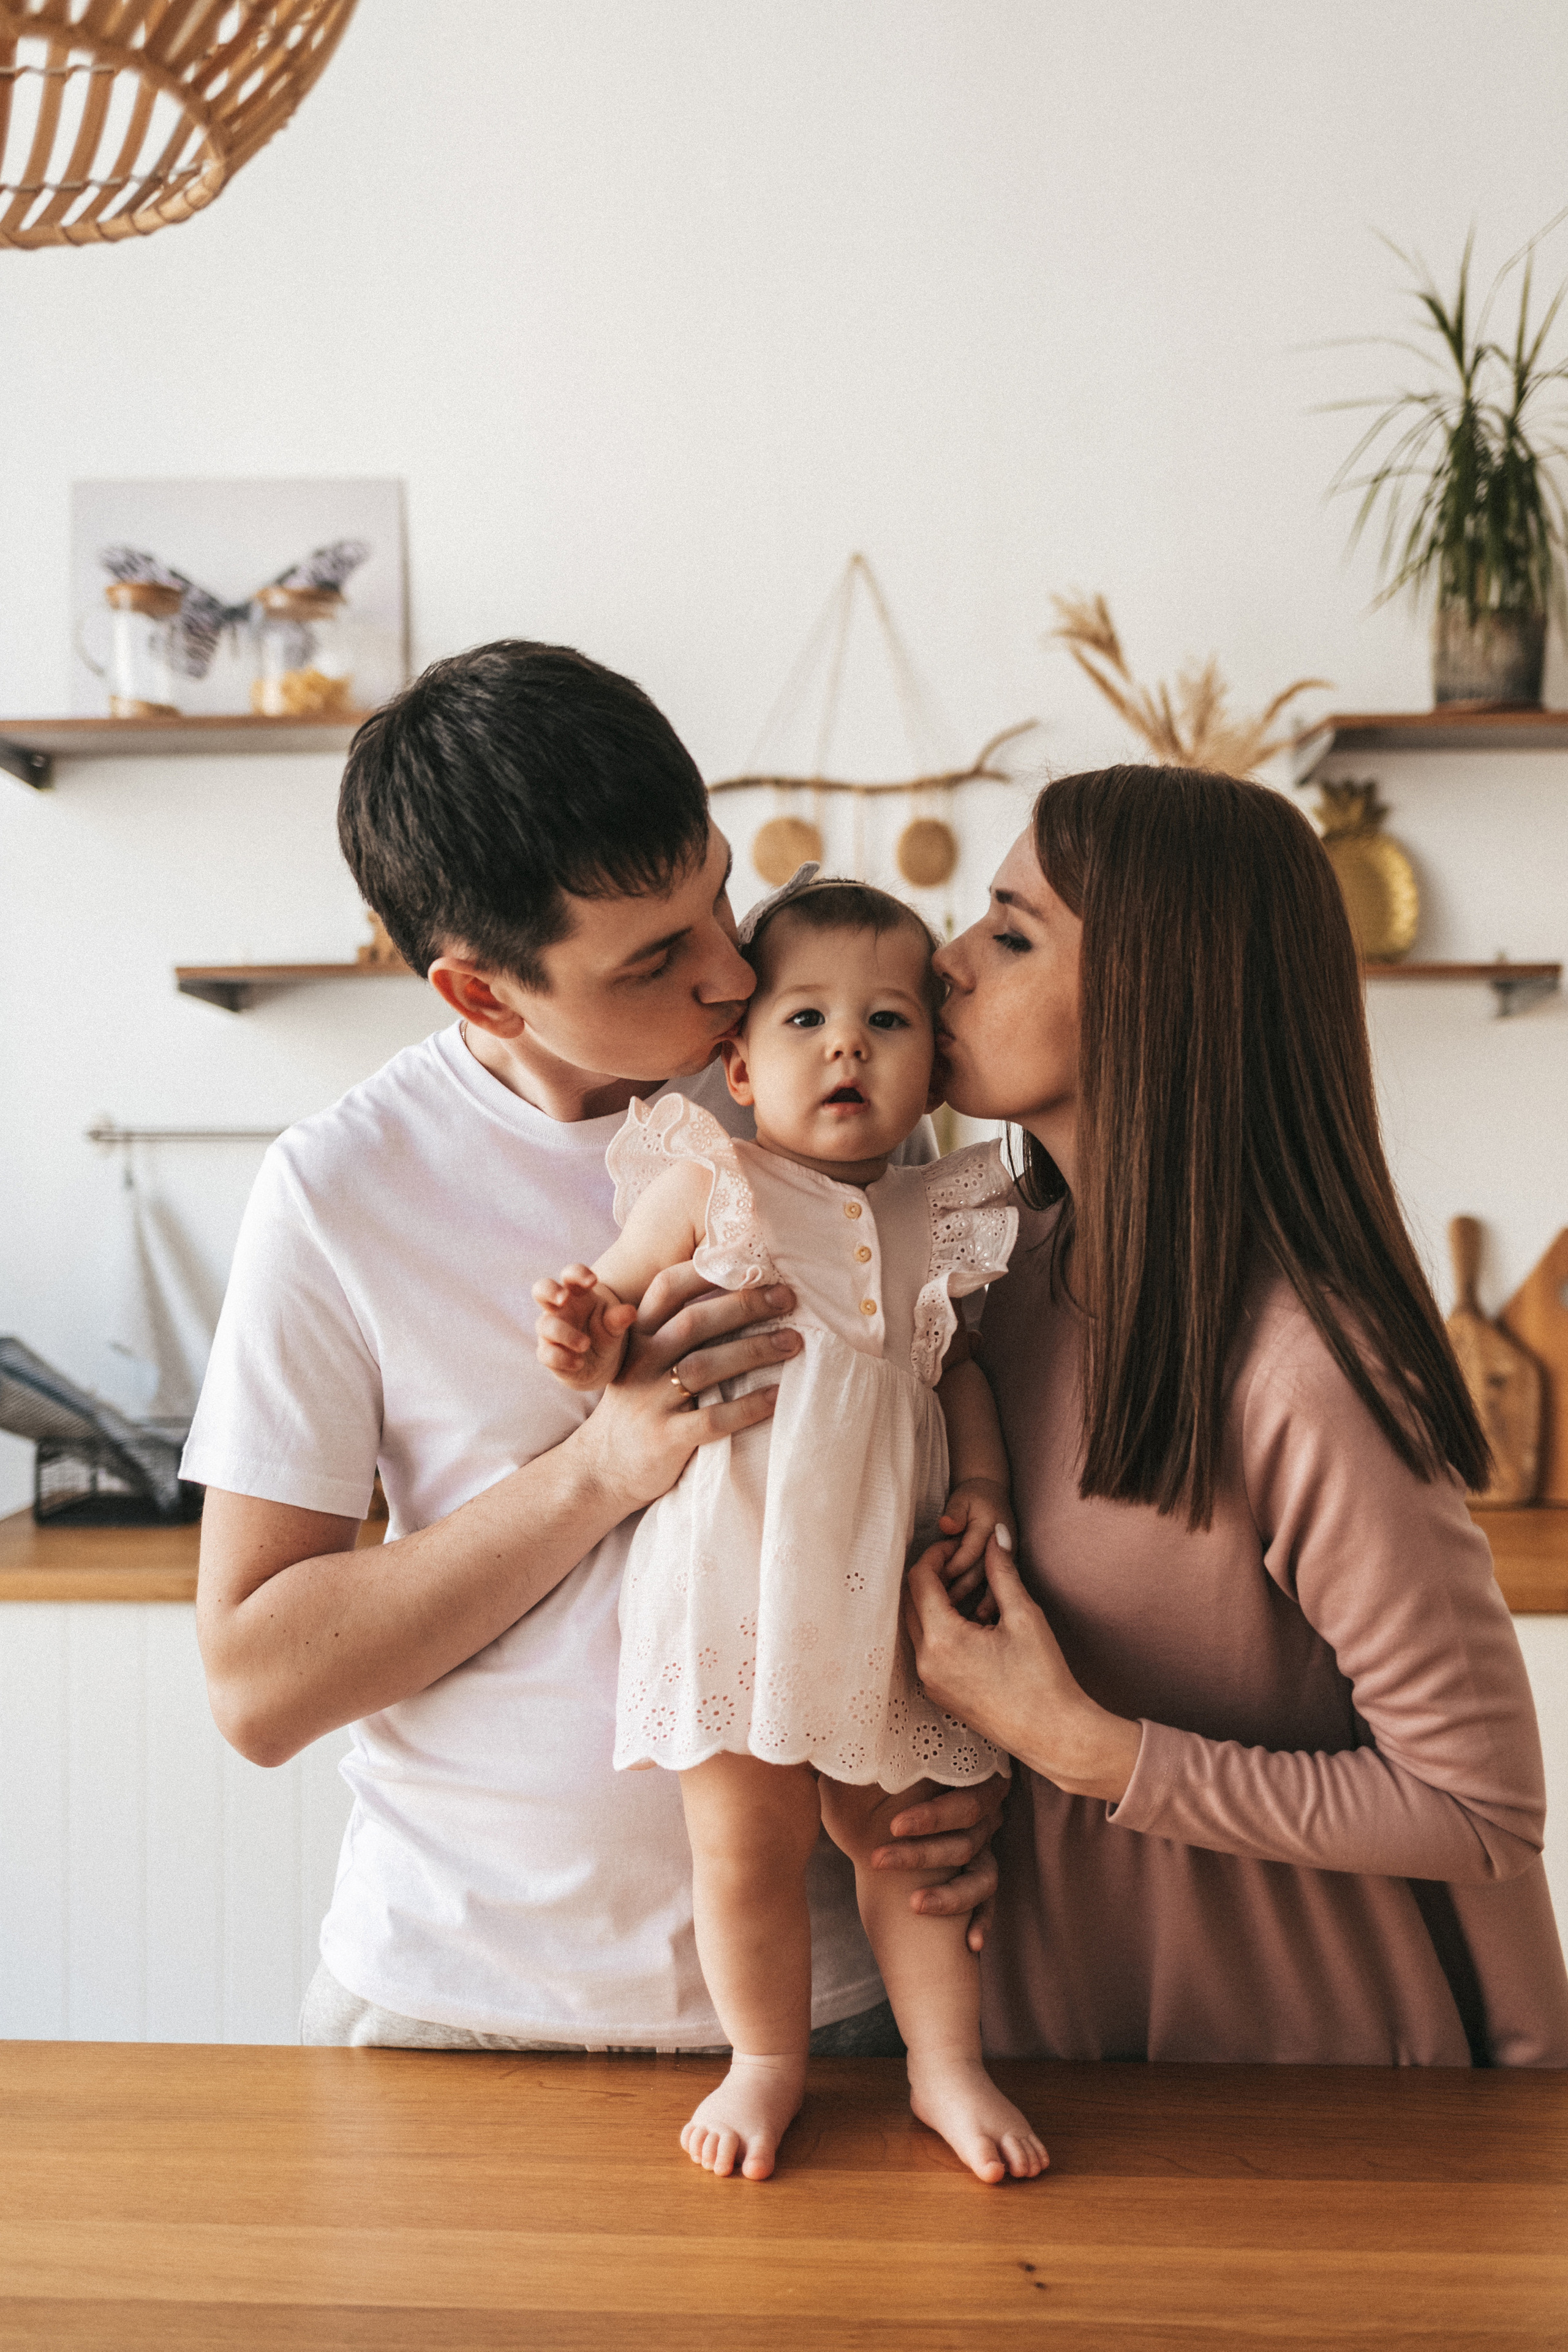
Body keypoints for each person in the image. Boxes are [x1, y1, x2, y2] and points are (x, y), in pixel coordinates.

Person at [186, 641, 1003, 2060]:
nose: (734, 969)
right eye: (656, 956)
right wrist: (601, 1468)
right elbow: (260, 1687)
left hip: (835, 2007)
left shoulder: (816, 1075)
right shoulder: (338, 1190)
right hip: (453, 2001)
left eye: (718, 895)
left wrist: (974, 1749)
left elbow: (929, 1429)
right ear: (482, 995)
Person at [903, 761, 1568, 2068]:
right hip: (1040, 2059)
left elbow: (1478, 1808)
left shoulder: (1302, 1371)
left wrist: (1090, 1753)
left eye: (1009, 930)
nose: (947, 960)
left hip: (1299, 2089)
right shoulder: (988, 1274)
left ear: (1159, 998)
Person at [534, 872, 1046, 2183]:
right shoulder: (714, 1178)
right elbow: (617, 1317)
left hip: (888, 1586)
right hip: (736, 1576)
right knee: (744, 1842)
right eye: (805, 1019)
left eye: (885, 1022)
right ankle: (762, 2061)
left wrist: (981, 1488)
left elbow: (962, 1372)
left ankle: (944, 2067)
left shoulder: (942, 1208)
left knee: (911, 1839)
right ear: (740, 1065)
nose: (845, 1048)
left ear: (933, 1061)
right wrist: (589, 1340)